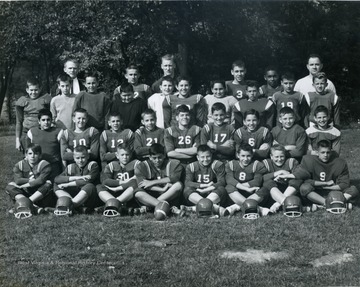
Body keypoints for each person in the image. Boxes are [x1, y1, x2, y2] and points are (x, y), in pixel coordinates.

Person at [278, 140, 358, 209]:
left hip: (333, 190)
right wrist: (324, 184)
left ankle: (330, 203)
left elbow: (344, 184)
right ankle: (331, 204)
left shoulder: (340, 162)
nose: (325, 155)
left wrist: (327, 187)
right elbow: (305, 180)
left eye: (328, 152)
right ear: (317, 153)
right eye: (322, 152)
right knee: (304, 188)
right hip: (316, 191)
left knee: (353, 189)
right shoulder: (308, 160)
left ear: (331, 151)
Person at [5, 144, 55, 218]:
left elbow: (40, 181)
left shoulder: (45, 164)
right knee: (10, 186)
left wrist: (23, 185)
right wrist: (30, 180)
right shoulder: (19, 165)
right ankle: (34, 207)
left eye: (36, 153)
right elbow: (18, 180)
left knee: (48, 184)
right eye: (30, 153)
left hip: (40, 195)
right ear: (26, 155)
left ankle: (23, 204)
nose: (32, 156)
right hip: (27, 192)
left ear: (40, 155)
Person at [134, 143, 183, 216]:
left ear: (164, 155)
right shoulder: (141, 166)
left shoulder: (174, 163)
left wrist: (152, 182)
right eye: (154, 158)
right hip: (150, 195)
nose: (157, 160)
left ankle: (150, 207)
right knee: (138, 193)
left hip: (167, 195)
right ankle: (167, 208)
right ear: (150, 157)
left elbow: (175, 177)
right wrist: (161, 189)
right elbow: (141, 185)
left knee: (178, 185)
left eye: (160, 157)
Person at [182, 145, 229, 216]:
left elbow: (222, 182)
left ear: (211, 155)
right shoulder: (191, 166)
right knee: (187, 190)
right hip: (198, 192)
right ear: (197, 157)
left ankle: (194, 209)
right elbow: (187, 183)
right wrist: (203, 185)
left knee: (222, 189)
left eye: (208, 156)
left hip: (211, 192)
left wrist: (206, 189)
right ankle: (215, 208)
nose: (205, 159)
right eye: (202, 157)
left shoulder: (217, 164)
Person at [225, 143, 270, 216]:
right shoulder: (231, 164)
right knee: (229, 187)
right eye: (243, 156)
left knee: (264, 189)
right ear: (238, 155)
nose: (245, 159)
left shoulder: (257, 165)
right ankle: (258, 208)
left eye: (248, 156)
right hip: (236, 193)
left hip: (252, 193)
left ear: (252, 155)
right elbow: (229, 180)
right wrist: (245, 188)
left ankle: (237, 206)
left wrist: (243, 187)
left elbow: (257, 182)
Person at [54, 145, 100, 215]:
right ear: (74, 158)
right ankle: (76, 207)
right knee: (56, 185)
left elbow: (87, 181)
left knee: (89, 186)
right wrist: (77, 177)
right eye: (77, 158)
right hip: (75, 194)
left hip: (88, 197)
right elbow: (57, 179)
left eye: (83, 157)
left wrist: (67, 184)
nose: (80, 161)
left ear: (88, 156)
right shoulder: (70, 167)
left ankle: (67, 206)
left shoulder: (93, 165)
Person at [97, 144, 139, 216]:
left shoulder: (136, 163)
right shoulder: (112, 165)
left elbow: (138, 178)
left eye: (127, 155)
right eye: (122, 155)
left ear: (131, 155)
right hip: (114, 192)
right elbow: (106, 181)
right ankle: (119, 206)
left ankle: (112, 205)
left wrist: (120, 187)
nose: (125, 157)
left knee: (136, 183)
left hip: (128, 193)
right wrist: (123, 182)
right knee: (99, 186)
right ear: (117, 155)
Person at [15, 77, 51, 152]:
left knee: (42, 154)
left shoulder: (46, 99)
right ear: (27, 90)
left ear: (40, 89)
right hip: (26, 132)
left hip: (42, 131)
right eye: (31, 90)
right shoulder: (22, 101)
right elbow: (19, 122)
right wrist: (17, 140)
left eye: (36, 90)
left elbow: (51, 117)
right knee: (29, 156)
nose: (33, 92)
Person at [262, 145, 301, 213]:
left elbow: (299, 175)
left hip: (289, 190)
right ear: (271, 156)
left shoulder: (291, 162)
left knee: (297, 180)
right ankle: (286, 203)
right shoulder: (266, 163)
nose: (279, 159)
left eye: (282, 156)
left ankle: (278, 204)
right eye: (276, 157)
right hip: (273, 192)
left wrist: (287, 176)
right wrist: (279, 172)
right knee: (267, 182)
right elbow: (262, 178)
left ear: (285, 155)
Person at [26, 109, 63, 181]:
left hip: (53, 164)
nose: (46, 122)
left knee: (52, 185)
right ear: (39, 121)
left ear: (52, 120)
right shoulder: (32, 132)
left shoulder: (58, 131)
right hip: (37, 164)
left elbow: (62, 152)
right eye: (43, 120)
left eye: (48, 120)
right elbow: (27, 152)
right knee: (35, 185)